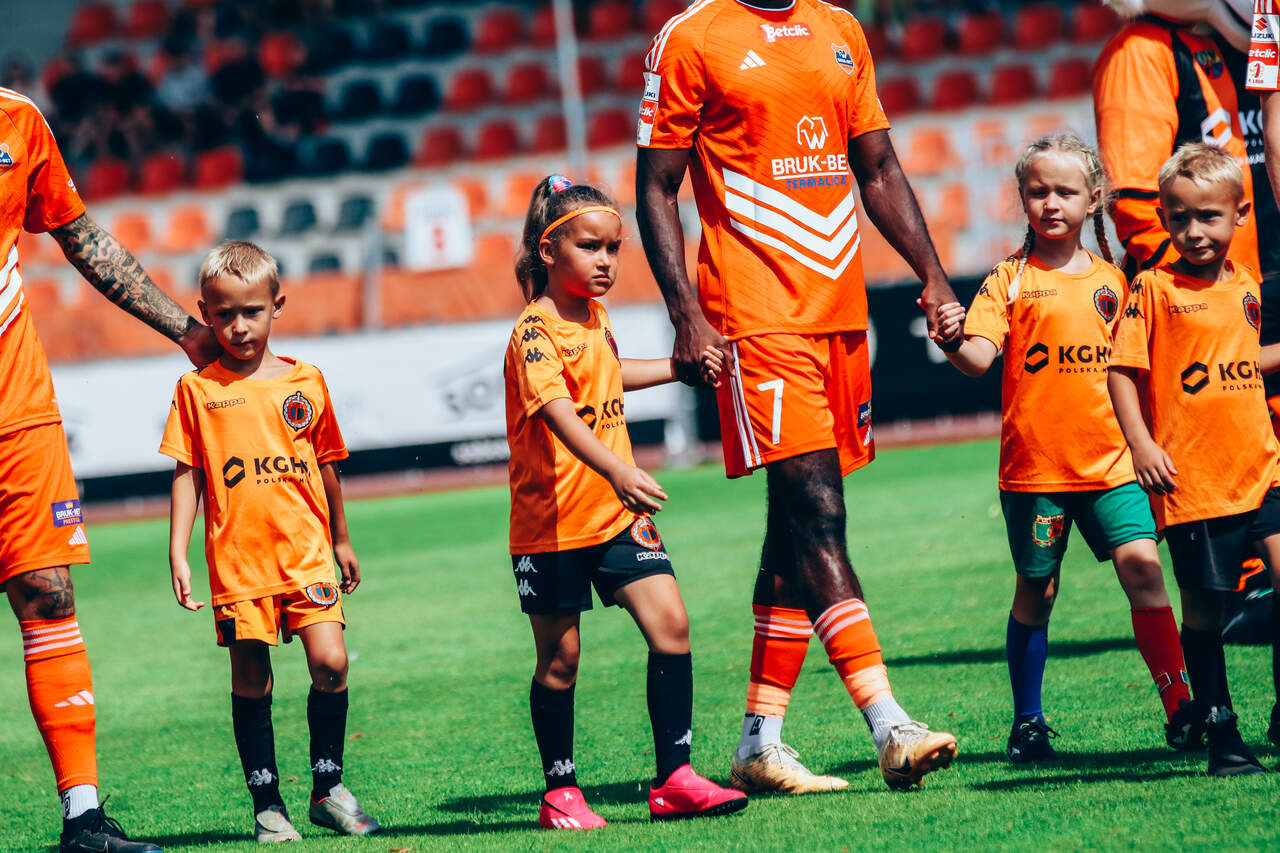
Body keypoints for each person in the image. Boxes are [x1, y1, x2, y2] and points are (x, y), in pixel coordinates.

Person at [635, 0, 959, 793]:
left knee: (793, 529)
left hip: (839, 312)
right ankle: (890, 724)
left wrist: (932, 272)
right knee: (818, 510)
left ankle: (759, 740)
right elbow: (657, 185)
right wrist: (687, 314)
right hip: (754, 313)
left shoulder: (839, 28)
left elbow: (878, 168)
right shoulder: (693, 36)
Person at [0, 86, 219, 853]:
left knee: (48, 592)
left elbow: (82, 237)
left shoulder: (17, 121)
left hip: (16, 409)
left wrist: (183, 330)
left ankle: (83, 818)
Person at [934, 134, 1198, 762]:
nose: (1051, 203)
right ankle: (1028, 722)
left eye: (1065, 191)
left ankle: (1182, 708)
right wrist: (950, 339)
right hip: (1037, 472)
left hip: (1113, 463)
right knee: (1038, 591)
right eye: (1038, 192)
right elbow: (978, 359)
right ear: (1022, 198)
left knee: (1144, 570)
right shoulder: (1007, 280)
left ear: (1093, 198)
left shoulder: (1116, 282)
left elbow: (1141, 370)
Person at [505, 175, 745, 829]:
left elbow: (608, 375)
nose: (606, 261)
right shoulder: (534, 332)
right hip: (552, 524)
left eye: (613, 247)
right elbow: (558, 411)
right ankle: (560, 792)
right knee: (561, 660)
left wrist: (677, 366)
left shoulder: (595, 316)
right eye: (590, 247)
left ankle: (675, 779)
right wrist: (618, 467)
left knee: (672, 624)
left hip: (615, 516)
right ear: (549, 250)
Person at [162, 241, 379, 841]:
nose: (239, 326)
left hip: (306, 552)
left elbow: (327, 464)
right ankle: (267, 806)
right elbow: (187, 473)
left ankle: (327, 788)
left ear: (277, 306)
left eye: (252, 312)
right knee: (252, 677)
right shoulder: (197, 390)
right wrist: (178, 550)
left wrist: (342, 538)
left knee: (331, 662)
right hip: (239, 563)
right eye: (224, 314)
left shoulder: (306, 380)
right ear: (204, 313)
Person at [1109, 142, 1280, 776]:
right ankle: (1222, 735)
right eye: (1179, 218)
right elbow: (1121, 372)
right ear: (1163, 218)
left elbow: (1239, 361)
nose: (1194, 231)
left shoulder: (1247, 284)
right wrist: (1142, 444)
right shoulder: (1152, 288)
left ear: (1240, 214)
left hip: (1261, 467)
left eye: (1209, 216)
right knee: (1207, 611)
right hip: (1196, 481)